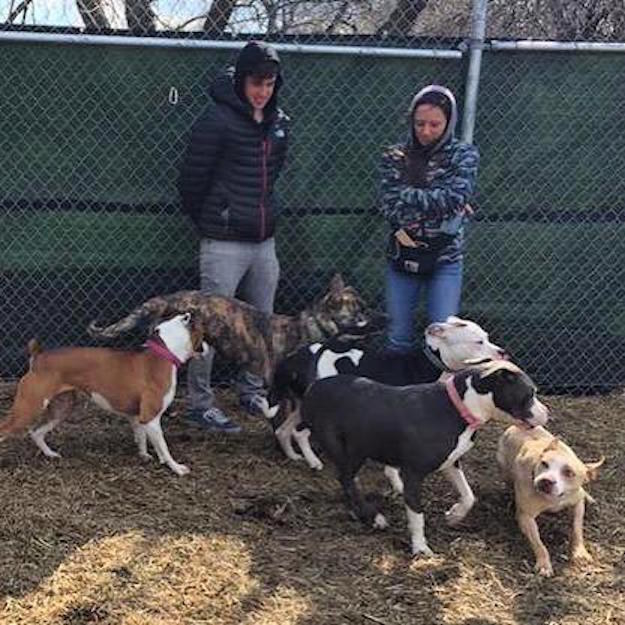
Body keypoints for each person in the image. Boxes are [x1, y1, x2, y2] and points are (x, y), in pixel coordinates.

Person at [177, 41, 290, 432]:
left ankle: (252, 390)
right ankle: (199, 402)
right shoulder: (217, 121)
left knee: (262, 322)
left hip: (264, 241)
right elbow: (191, 181)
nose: (262, 90)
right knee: (209, 323)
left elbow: (271, 177)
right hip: (222, 241)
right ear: (242, 80)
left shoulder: (279, 123)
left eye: (270, 83)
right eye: (256, 82)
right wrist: (214, 218)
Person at [377, 84, 479, 354]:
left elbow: (455, 197)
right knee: (398, 335)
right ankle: (397, 393)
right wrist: (440, 199)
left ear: (448, 123)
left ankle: (437, 395)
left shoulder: (464, 154)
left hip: (445, 257)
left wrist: (407, 194)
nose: (426, 131)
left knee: (443, 337)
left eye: (435, 124)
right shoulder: (395, 155)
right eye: (420, 123)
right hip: (403, 253)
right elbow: (388, 205)